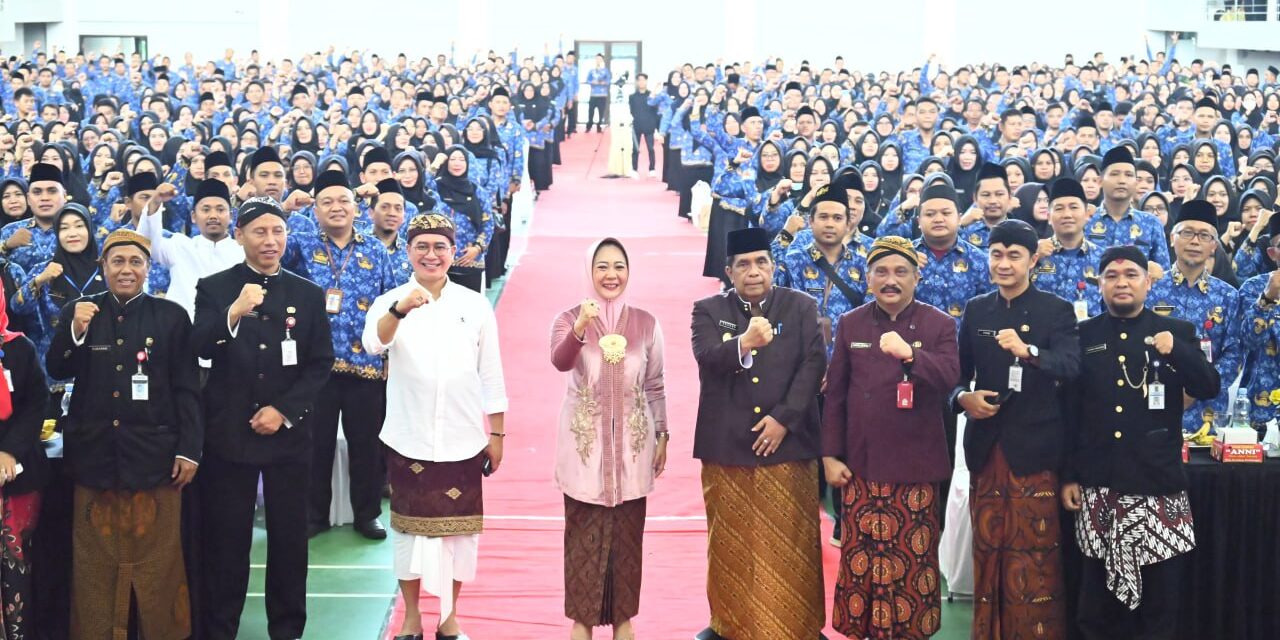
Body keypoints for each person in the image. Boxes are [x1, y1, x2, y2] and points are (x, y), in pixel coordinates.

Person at [46, 228, 202, 640]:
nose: (127, 269)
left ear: (149, 268)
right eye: (118, 261)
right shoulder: (82, 312)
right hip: (94, 459)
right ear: (103, 267)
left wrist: (189, 449)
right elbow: (57, 368)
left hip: (155, 459)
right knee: (94, 568)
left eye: (136, 262)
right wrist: (75, 332)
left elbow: (187, 387)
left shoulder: (170, 317)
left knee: (160, 565)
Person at [192, 196, 334, 640]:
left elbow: (320, 362)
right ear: (239, 236)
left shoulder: (307, 293)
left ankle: (287, 629)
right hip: (229, 435)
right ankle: (221, 628)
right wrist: (234, 311)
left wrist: (284, 411)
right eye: (259, 232)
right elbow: (198, 346)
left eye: (278, 232)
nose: (270, 241)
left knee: (290, 541)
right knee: (228, 540)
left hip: (287, 436)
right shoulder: (214, 288)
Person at [1061, 245, 1220, 640]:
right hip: (1100, 483)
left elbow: (1209, 385)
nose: (1121, 283)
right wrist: (1068, 476)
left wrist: (1178, 351)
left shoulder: (1177, 331)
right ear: (1100, 285)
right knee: (1095, 604)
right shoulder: (1083, 335)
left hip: (1157, 483)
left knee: (1160, 601)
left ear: (1148, 282)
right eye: (1111, 276)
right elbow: (1069, 414)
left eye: (1131, 275)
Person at [362, 213, 508, 640]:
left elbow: (492, 374)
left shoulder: (474, 304)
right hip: (409, 436)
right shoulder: (392, 299)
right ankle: (411, 617)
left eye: (440, 246)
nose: (431, 254)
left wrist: (496, 434)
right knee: (409, 532)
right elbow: (375, 342)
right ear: (408, 252)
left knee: (460, 537)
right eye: (422, 246)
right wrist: (399, 309)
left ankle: (449, 617)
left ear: (451, 252)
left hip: (464, 440)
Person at [690, 227, 826, 640]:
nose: (754, 271)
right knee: (731, 543)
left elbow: (814, 364)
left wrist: (784, 418)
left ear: (773, 266)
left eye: (761, 262)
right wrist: (744, 343)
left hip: (790, 445)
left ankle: (797, 626)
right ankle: (731, 626)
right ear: (729, 271)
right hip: (728, 448)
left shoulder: (800, 306)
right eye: (744, 264)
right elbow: (708, 358)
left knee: (793, 542)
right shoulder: (708, 310)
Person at [822, 235, 960, 640]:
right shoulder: (852, 324)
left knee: (911, 562)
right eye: (881, 271)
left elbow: (950, 378)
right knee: (862, 564)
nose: (890, 280)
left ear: (917, 277)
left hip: (915, 467)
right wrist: (830, 455)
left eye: (901, 271)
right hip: (861, 467)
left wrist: (912, 356)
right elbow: (835, 396)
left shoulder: (939, 324)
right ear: (867, 279)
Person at [953, 219, 1080, 638]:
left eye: (1014, 255)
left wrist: (1029, 352)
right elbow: (958, 376)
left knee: (1035, 556)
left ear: (1033, 259)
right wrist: (963, 399)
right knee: (987, 550)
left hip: (1036, 449)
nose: (1003, 264)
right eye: (996, 254)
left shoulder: (1056, 309)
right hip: (987, 447)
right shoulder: (976, 309)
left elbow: (1072, 366)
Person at [550, 238, 668, 640]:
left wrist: (663, 433)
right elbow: (560, 360)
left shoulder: (646, 323)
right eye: (602, 266)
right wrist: (581, 327)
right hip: (585, 458)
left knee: (627, 550)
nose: (611, 275)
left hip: (632, 459)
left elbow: (654, 385)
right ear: (589, 271)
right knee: (582, 548)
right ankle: (582, 623)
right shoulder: (567, 319)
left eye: (619, 266)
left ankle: (623, 623)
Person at [285, 169, 399, 540]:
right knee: (314, 445)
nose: (336, 208)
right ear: (315, 210)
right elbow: (266, 251)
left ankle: (367, 514)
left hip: (365, 365)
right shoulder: (301, 243)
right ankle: (313, 513)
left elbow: (391, 301)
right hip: (314, 366)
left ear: (358, 208)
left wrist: (388, 356)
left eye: (343, 201)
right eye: (326, 202)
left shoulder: (375, 250)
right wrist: (288, 209)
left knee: (366, 445)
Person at [1145, 199, 1243, 436]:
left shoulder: (1228, 296)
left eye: (1204, 235)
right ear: (1172, 238)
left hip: (1207, 411)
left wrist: (1195, 387)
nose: (1195, 241)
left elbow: (1234, 354)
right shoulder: (1150, 289)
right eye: (1187, 232)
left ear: (1214, 246)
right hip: (1152, 404)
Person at [0, 282, 50, 639]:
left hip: (17, 475)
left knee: (16, 570)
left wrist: (8, 451)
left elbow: (36, 405)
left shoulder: (19, 347)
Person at [138, 178, 244, 319]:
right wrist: (155, 202)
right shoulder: (180, 246)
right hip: (181, 333)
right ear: (193, 216)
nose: (213, 215)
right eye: (205, 209)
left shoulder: (243, 253)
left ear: (231, 216)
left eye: (220, 209)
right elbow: (145, 242)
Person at [1032, 178, 1105, 321]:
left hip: (1090, 338)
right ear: (1048, 217)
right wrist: (1031, 258)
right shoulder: (1034, 255)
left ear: (1087, 215)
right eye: (1059, 208)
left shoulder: (1103, 258)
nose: (1067, 214)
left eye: (1074, 207)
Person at [628, 73, 659, 178]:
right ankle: (634, 169)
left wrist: (655, 126)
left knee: (651, 148)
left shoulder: (651, 95)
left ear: (646, 81)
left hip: (649, 125)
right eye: (639, 80)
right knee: (635, 149)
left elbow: (655, 111)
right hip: (636, 125)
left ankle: (652, 169)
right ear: (637, 82)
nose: (641, 82)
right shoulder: (632, 97)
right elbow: (631, 111)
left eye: (643, 80)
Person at [585, 54, 611, 133]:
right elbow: (587, 80)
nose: (598, 60)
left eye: (600, 59)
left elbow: (609, 81)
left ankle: (599, 125)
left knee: (601, 111)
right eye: (597, 59)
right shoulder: (592, 70)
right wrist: (592, 82)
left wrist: (604, 82)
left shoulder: (605, 70)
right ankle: (589, 125)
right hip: (593, 94)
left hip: (602, 94)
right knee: (591, 111)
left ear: (602, 60)